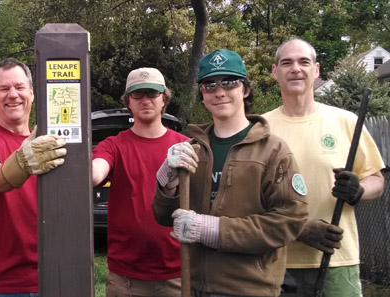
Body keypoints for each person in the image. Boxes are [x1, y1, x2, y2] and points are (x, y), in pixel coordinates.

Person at [152, 49, 309, 297]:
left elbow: (289, 222)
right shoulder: (192, 150)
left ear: (244, 90)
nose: (220, 91)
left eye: (230, 82)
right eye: (210, 85)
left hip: (249, 289)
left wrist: (211, 230)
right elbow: (163, 217)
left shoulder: (273, 151)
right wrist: (166, 181)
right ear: (202, 94)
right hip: (192, 287)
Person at [263, 38, 385, 297]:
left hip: (337, 259)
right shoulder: (260, 129)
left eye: (303, 61)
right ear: (275, 72)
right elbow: (247, 198)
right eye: (286, 62)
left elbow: (376, 180)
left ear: (316, 70)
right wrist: (297, 228)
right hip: (275, 261)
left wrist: (359, 190)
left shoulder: (346, 121)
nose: (295, 68)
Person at [0, 58, 67, 296]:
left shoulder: (52, 144)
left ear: (31, 92)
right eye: (4, 88)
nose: (13, 95)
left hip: (50, 274)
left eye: (19, 87)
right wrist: (22, 161)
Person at [92, 68, 188, 297]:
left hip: (177, 274)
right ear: (128, 101)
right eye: (137, 94)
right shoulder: (113, 145)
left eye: (152, 93)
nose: (145, 100)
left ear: (164, 99)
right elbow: (95, 173)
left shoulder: (185, 147)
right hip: (125, 279)